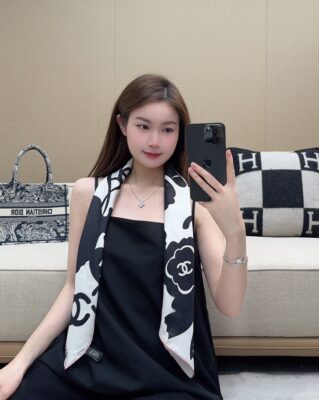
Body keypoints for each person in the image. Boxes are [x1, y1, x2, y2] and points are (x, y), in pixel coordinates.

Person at [0, 74, 247, 400]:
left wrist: (235, 231)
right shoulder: (89, 194)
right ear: (122, 124)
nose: (155, 141)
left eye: (168, 130)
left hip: (166, 370)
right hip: (92, 358)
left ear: (180, 134)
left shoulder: (193, 205)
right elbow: (74, 288)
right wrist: (18, 364)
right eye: (143, 126)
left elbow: (230, 305)